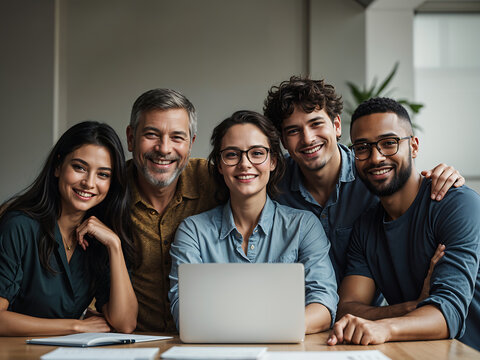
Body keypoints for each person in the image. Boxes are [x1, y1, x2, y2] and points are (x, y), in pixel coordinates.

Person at [263, 76, 465, 285]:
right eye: (294, 131)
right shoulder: (271, 185)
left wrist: (447, 177)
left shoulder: (374, 174)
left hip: (372, 313)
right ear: (284, 141)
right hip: (301, 311)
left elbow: (413, 194)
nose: (308, 138)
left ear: (337, 125)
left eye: (316, 124)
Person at [328, 98, 480, 350]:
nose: (376, 158)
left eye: (389, 143)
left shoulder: (456, 204)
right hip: (418, 352)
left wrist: (383, 326)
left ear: (414, 147)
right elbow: (348, 307)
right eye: (363, 147)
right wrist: (412, 307)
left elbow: (448, 314)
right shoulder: (366, 225)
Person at [169, 110, 338, 333]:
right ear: (219, 165)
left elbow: (323, 305)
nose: (245, 164)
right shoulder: (193, 231)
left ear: (273, 161)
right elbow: (184, 312)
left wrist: (264, 330)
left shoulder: (304, 226)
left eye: (257, 153)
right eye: (232, 155)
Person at [0, 121, 137, 336]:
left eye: (103, 174)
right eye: (79, 167)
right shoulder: (18, 225)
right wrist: (76, 326)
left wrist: (115, 245)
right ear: (57, 166)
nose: (89, 183)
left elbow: (125, 323)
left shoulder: (101, 238)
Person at [126, 88, 217, 331]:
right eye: (152, 134)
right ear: (131, 138)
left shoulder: (214, 180)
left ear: (191, 143)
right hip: (128, 343)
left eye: (177, 137)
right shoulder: (106, 188)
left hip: (204, 341)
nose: (164, 148)